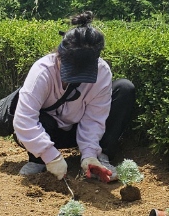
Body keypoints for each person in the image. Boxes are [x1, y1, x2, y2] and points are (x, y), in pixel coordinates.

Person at [13, 11, 138, 180]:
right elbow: (24, 120)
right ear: (60, 54)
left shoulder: (102, 72)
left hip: (77, 130)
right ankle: (38, 160)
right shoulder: (42, 72)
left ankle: (100, 158)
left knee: (124, 88)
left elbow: (94, 118)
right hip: (49, 131)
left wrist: (90, 155)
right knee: (40, 119)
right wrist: (49, 155)